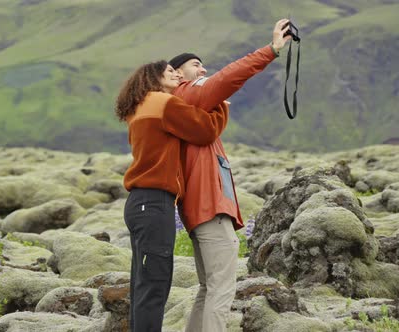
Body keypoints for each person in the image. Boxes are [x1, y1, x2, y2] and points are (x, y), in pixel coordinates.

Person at [168, 19, 292, 332]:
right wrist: (271, 51)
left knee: (209, 287)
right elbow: (228, 78)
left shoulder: (194, 114)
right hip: (210, 208)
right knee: (221, 288)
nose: (203, 71)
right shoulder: (187, 93)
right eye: (196, 65)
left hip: (202, 209)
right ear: (176, 74)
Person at [115, 60, 228, 332]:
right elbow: (205, 131)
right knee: (155, 285)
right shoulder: (162, 102)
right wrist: (221, 105)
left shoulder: (141, 106)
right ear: (154, 78)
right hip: (154, 203)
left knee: (144, 284)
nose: (176, 74)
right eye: (170, 72)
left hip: (141, 203)